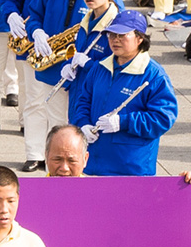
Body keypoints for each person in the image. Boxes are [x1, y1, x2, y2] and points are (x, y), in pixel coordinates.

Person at [68, 9, 179, 174]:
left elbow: (163, 118)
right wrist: (82, 124)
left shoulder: (154, 75)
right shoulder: (99, 68)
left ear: (140, 38)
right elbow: (82, 101)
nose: (115, 40)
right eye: (112, 35)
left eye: (122, 35)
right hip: (92, 164)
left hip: (131, 167)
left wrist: (123, 122)